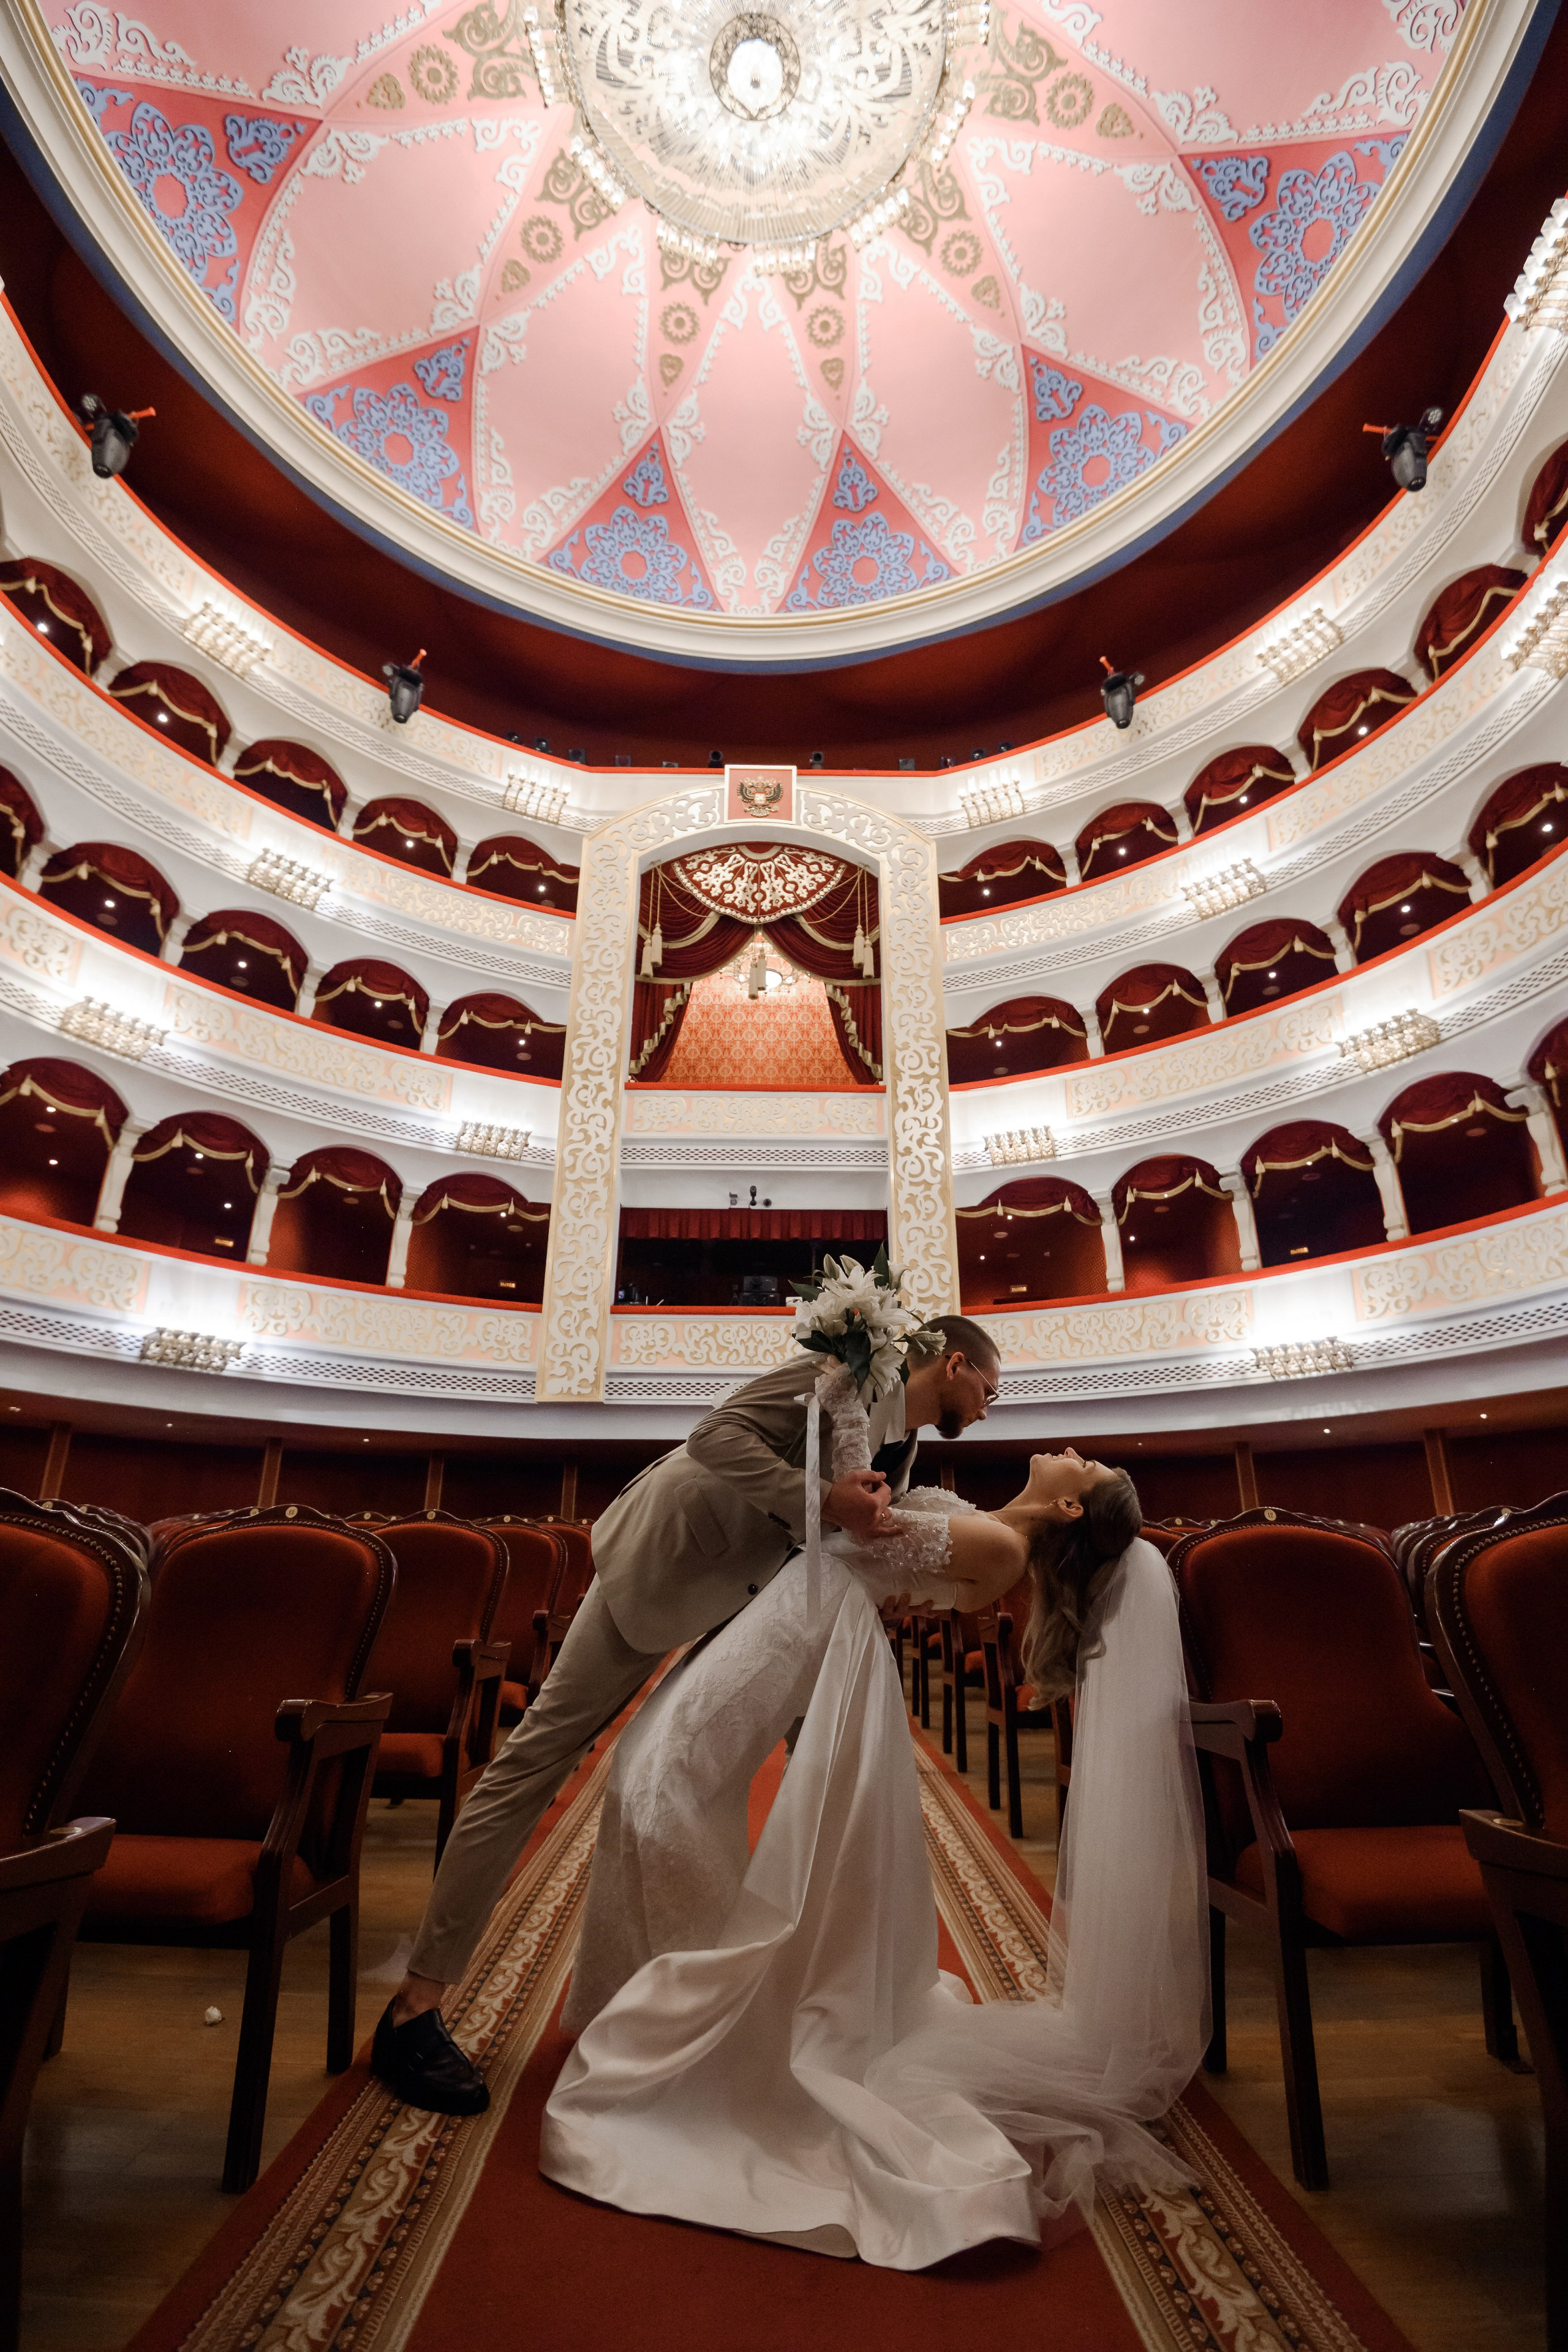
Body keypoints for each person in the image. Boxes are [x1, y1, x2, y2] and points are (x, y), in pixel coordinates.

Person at [539, 1364, 1208, 2269]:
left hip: (812, 1626)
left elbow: (873, 1529)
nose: (1068, 1450)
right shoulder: (983, 1520)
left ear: (1067, 1515)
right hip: (792, 1615)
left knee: (659, 1785)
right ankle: (669, 2004)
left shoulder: (1001, 1551)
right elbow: (867, 1513)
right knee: (650, 1776)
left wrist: (852, 1398)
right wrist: (853, 1387)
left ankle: (703, 2018)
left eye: (1080, 1468)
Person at [371, 1314, 1002, 2113]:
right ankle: (414, 2009)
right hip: (666, 1562)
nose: (990, 1406)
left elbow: (857, 1524)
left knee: (742, 1774)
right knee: (533, 1763)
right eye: (989, 1388)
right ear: (952, 1364)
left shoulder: (905, 1445)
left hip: (753, 1597)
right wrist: (821, 1499)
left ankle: (747, 1994)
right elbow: (716, 1435)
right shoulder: (842, 1369)